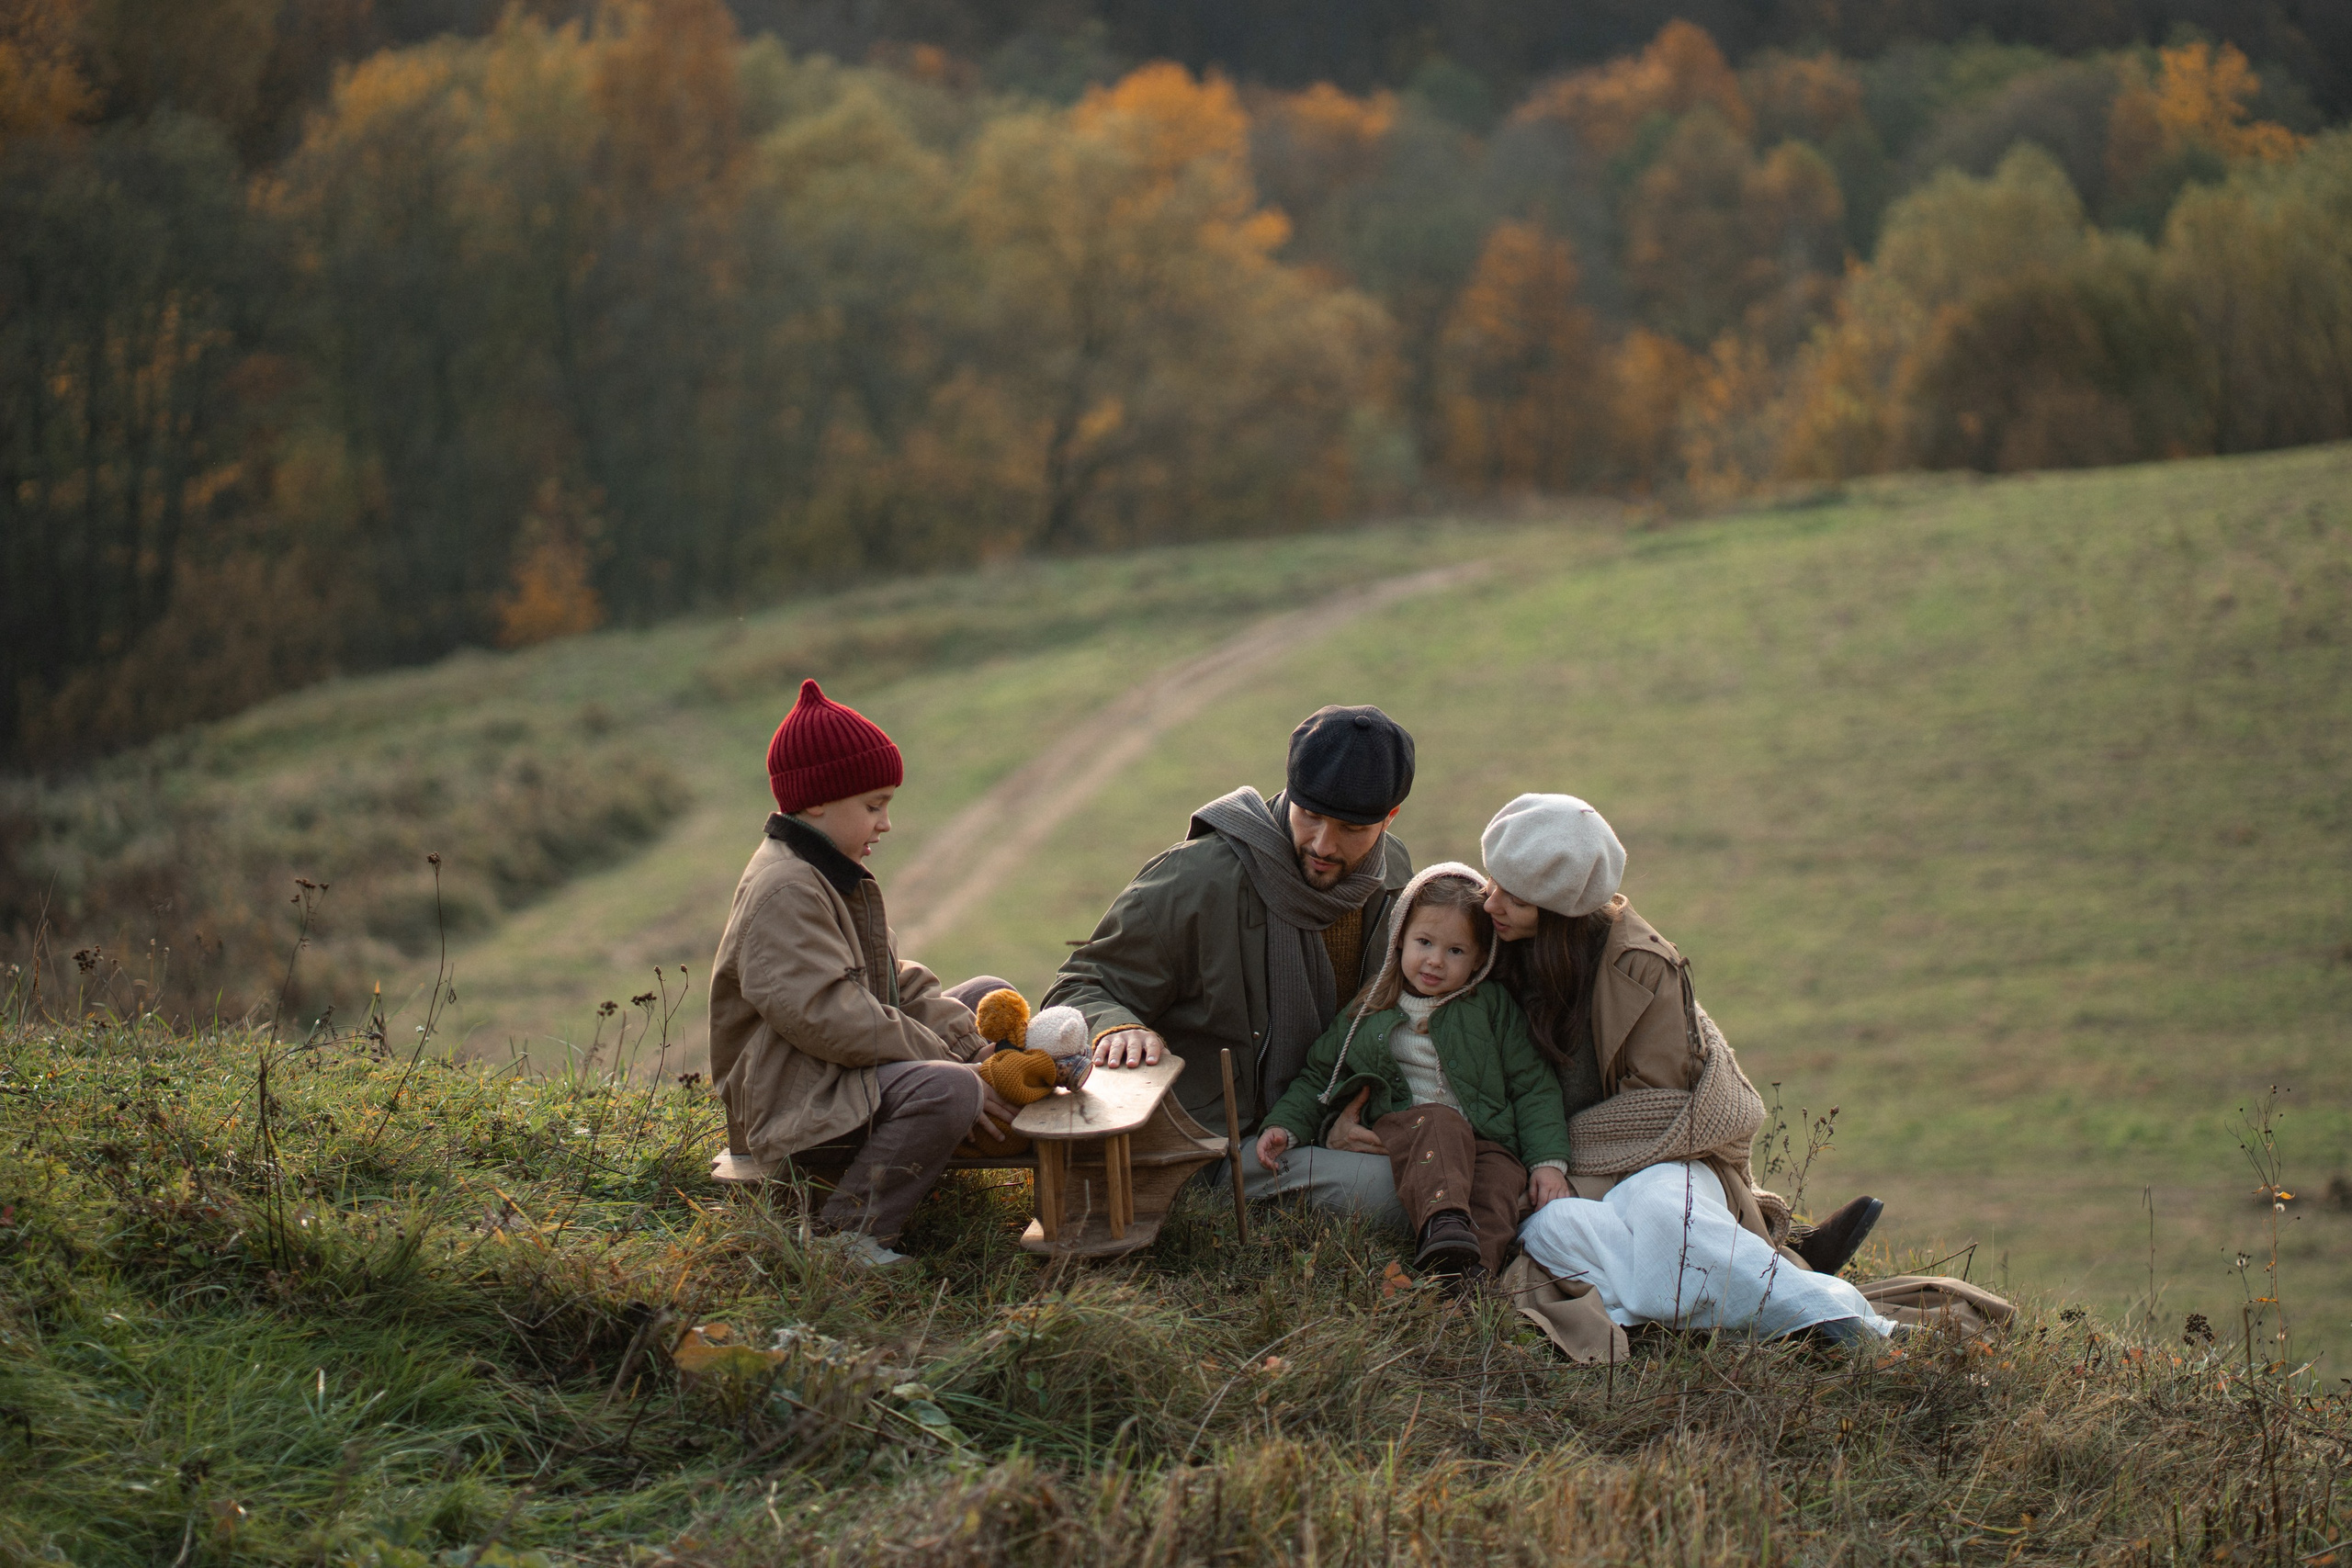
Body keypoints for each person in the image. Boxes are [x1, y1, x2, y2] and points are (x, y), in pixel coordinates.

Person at [1472, 793, 1893, 1345]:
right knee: (1554, 1228)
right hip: (1552, 1171)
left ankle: (1835, 1322)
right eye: (1492, 882)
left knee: (1664, 1214)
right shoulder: (1484, 948)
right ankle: (1796, 1309)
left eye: (1515, 899)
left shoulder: (1641, 968)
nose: (1491, 905)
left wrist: (1560, 1165)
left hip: (1659, 1159)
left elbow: (1660, 1115)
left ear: (1557, 915)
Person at [1043, 704, 1418, 1224]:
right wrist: (1117, 1026)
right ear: (1289, 792)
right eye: (1310, 815)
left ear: (1389, 818)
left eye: (1352, 828)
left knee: (1463, 1176)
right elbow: (1077, 987)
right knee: (1407, 1198)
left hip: (1323, 1121)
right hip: (1215, 1145)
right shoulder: (1198, 879)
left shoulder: (1396, 876)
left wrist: (1352, 1112)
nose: (1323, 844)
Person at [708, 679, 1020, 1268]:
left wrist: (973, 1045)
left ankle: (970, 1111)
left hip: (824, 1070)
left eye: (887, 807)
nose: (885, 823)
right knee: (947, 1087)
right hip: (791, 1097)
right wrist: (952, 1064)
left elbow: (890, 979)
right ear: (818, 802)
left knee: (986, 996)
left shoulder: (828, 870)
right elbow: (828, 1016)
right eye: (873, 806)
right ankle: (846, 1237)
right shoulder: (786, 888)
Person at [1255, 864, 1568, 1280]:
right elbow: (1319, 1076)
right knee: (1441, 1121)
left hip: (1484, 1140)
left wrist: (1547, 1161)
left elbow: (1533, 1086)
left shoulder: (1491, 1007)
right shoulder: (1370, 1008)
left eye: (1456, 951)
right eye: (1425, 942)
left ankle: (1468, 1275)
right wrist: (1286, 1126)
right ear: (1399, 938)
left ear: (1479, 960)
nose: (1435, 961)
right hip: (1404, 1127)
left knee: (1498, 1184)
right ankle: (1443, 1227)